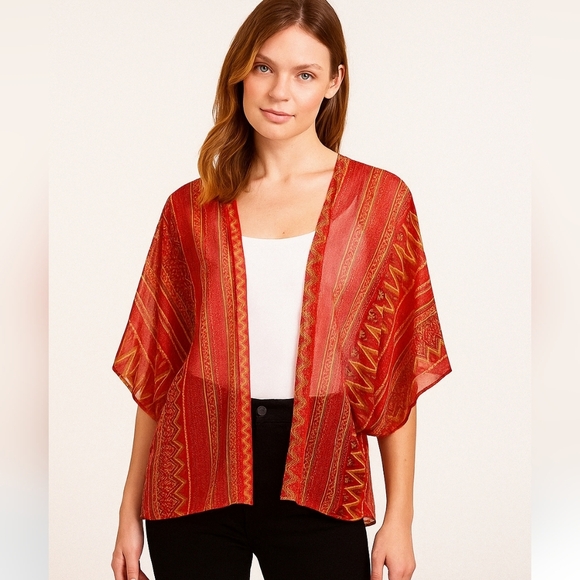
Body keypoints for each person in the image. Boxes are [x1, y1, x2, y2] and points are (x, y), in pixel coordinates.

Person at [111, 1, 451, 579]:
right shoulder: (190, 208)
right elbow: (160, 373)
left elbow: (394, 370)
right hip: (193, 470)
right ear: (239, 71)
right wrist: (129, 508)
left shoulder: (380, 203)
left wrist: (401, 516)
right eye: (264, 67)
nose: (279, 92)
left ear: (334, 82)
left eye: (305, 74)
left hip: (321, 472)